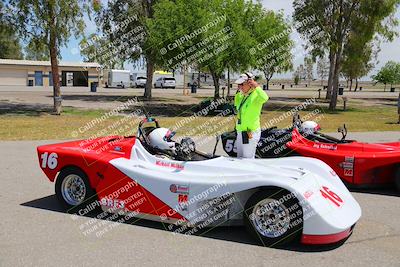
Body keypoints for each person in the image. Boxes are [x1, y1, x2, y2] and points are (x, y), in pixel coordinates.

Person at [234, 72, 269, 158]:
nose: (239, 87)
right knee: (239, 157)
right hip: (240, 132)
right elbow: (237, 107)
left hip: (250, 133)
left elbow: (265, 97)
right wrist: (239, 93)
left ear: (250, 83)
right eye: (238, 84)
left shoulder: (256, 95)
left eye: (241, 84)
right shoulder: (241, 96)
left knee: (248, 160)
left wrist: (256, 86)